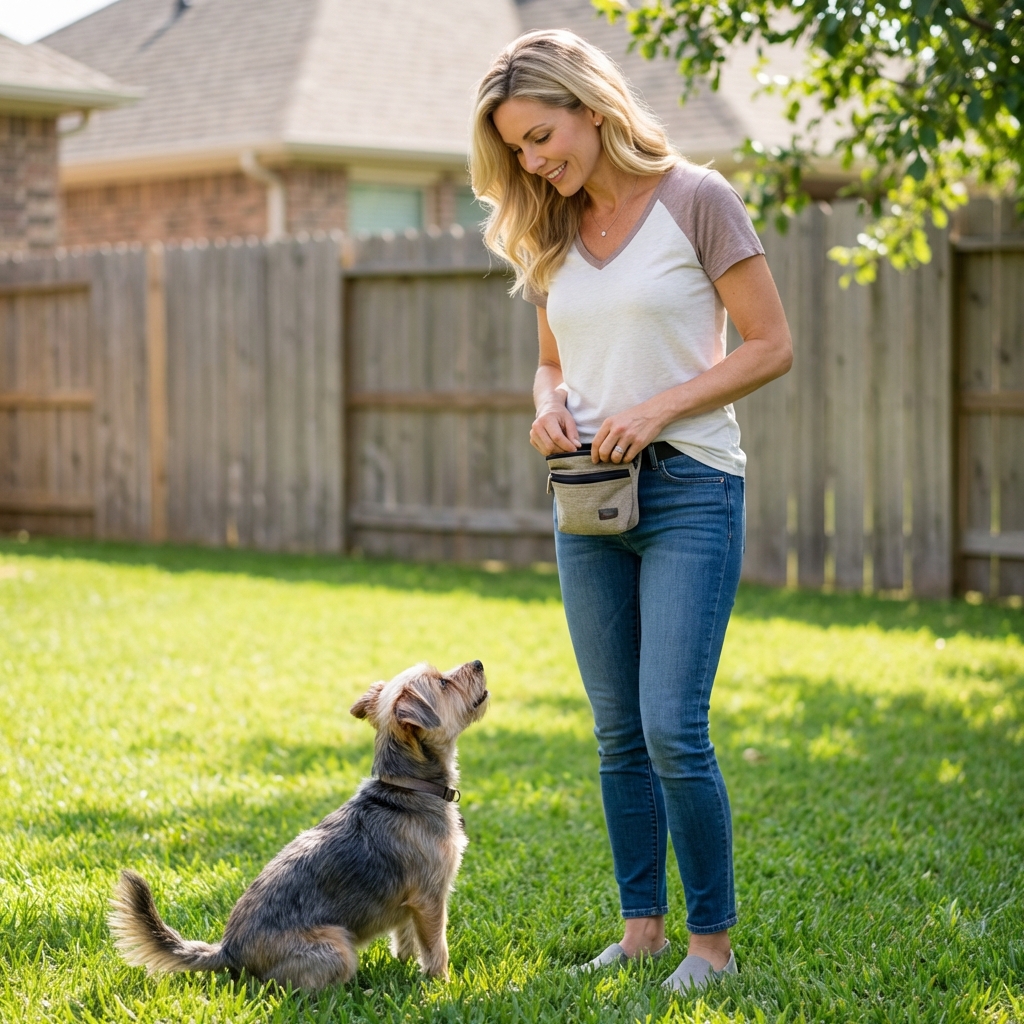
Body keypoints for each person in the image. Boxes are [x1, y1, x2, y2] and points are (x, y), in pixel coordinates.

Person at [469, 30, 793, 993]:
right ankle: (642, 930)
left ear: (591, 108)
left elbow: (771, 345)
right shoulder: (549, 228)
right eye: (517, 150)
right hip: (590, 497)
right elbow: (554, 356)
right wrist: (546, 404)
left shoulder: (699, 199)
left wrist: (658, 406)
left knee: (670, 727)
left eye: (541, 136)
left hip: (692, 484)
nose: (533, 162)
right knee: (615, 729)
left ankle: (712, 947)